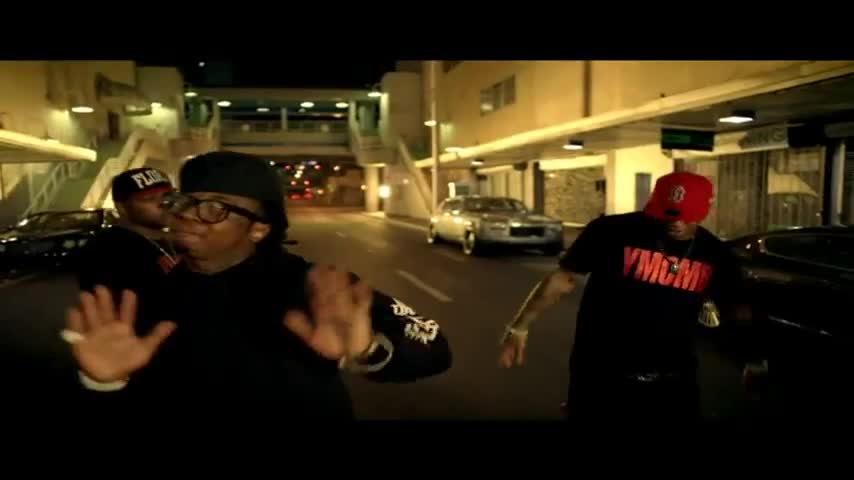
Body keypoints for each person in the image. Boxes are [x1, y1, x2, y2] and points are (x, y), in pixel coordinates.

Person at [62, 151, 451, 419]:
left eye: (213, 208)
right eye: (183, 202)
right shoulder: (145, 295)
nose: (187, 216)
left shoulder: (317, 287)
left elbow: (433, 347)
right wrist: (102, 382)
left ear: (259, 229)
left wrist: (366, 351)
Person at [499, 171, 766, 423]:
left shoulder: (715, 253)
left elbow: (737, 309)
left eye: (687, 216)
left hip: (673, 381)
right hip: (600, 374)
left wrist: (754, 359)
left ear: (706, 209)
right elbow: (560, 280)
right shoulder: (610, 231)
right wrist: (519, 326)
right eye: (668, 213)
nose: (676, 222)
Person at [76, 167, 178, 297]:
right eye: (149, 199)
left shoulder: (177, 238)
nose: (164, 203)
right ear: (122, 207)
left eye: (167, 196)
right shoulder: (108, 249)